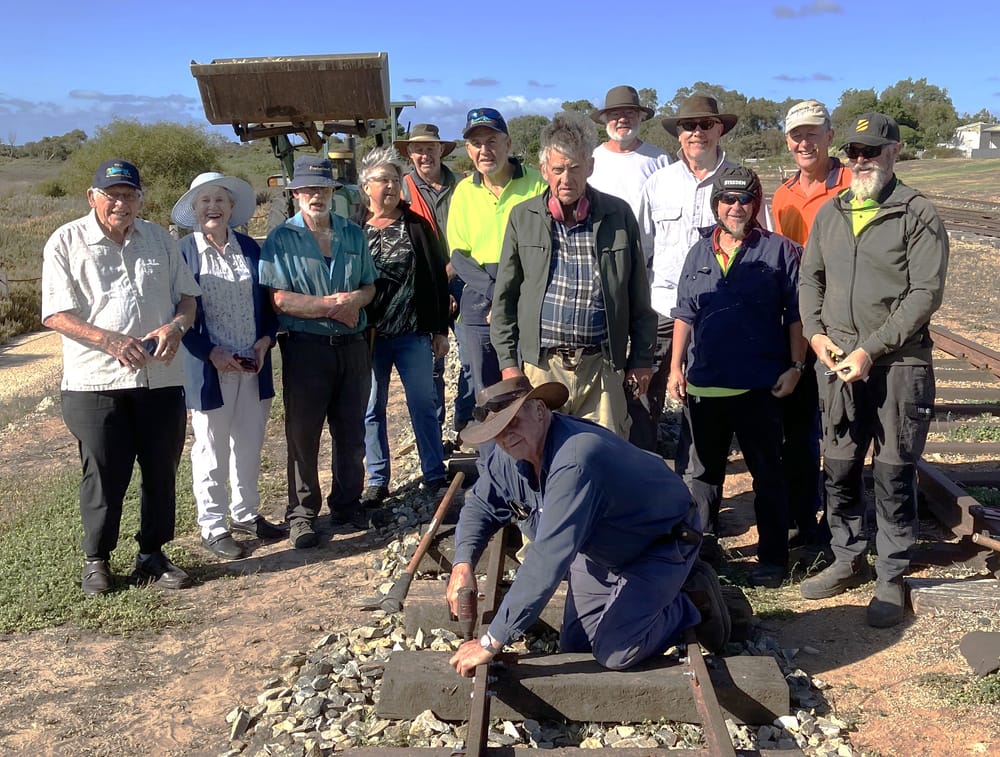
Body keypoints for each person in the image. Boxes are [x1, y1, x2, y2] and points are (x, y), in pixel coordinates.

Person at [446, 377, 730, 676]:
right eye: (497, 431)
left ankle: (691, 602)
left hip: (659, 544)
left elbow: (547, 559)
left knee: (616, 651)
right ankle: (645, 601)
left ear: (540, 411)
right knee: (577, 644)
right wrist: (462, 563)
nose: (506, 435)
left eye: (513, 422)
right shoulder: (510, 454)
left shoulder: (576, 458)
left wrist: (492, 641)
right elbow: (480, 505)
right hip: (602, 548)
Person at [798, 113, 949, 627]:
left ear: (894, 152)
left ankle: (890, 573)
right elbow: (809, 280)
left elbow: (924, 293)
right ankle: (846, 558)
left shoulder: (917, 212)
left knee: (892, 471)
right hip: (837, 361)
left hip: (898, 363)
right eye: (853, 152)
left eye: (872, 151)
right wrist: (816, 334)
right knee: (839, 466)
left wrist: (872, 349)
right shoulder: (832, 212)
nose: (860, 161)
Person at [41, 158, 200, 594]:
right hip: (96, 383)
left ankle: (152, 554)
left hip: (160, 378)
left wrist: (176, 326)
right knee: (104, 473)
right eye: (112, 195)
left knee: (161, 470)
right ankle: (97, 560)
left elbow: (187, 299)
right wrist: (109, 340)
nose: (121, 203)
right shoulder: (66, 241)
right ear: (93, 197)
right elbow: (55, 314)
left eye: (129, 195)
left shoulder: (160, 240)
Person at [667, 166, 804, 588]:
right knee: (704, 474)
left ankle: (773, 559)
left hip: (759, 383)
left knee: (767, 472)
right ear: (716, 205)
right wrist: (675, 367)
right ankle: (701, 554)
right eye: (727, 200)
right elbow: (685, 313)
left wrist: (796, 366)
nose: (736, 207)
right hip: (705, 383)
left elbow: (797, 316)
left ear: (756, 203)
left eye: (744, 199)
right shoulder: (699, 251)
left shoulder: (780, 251)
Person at [491, 110, 656, 438]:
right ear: (544, 171)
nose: (566, 179)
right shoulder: (522, 218)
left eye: (575, 168)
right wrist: (509, 363)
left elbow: (639, 297)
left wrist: (640, 359)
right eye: (558, 169)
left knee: (606, 457)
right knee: (541, 453)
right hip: (541, 369)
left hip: (602, 368)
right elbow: (505, 300)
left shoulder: (618, 214)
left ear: (590, 167)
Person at [259, 156, 377, 548]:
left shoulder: (353, 234)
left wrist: (355, 300)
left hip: (353, 348)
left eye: (322, 189)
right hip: (306, 349)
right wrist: (332, 307)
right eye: (307, 189)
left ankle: (347, 504)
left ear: (332, 193)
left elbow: (369, 287)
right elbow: (278, 299)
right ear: (295, 194)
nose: (315, 195)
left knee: (351, 430)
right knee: (303, 435)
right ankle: (302, 515)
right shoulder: (280, 238)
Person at [637, 96, 770, 437]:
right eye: (689, 126)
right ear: (678, 133)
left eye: (705, 125)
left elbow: (764, 246)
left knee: (710, 406)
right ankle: (648, 475)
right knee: (644, 399)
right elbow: (643, 249)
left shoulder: (742, 180)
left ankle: (701, 477)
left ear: (720, 129)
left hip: (724, 312)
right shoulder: (658, 183)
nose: (697, 133)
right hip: (664, 308)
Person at [172, 172, 284, 561]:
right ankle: (214, 525)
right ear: (194, 209)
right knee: (210, 448)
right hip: (209, 369)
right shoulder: (183, 252)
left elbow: (270, 306)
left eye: (220, 201)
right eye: (205, 202)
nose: (213, 208)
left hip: (252, 364)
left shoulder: (251, 249)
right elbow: (178, 317)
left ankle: (246, 513)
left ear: (232, 208)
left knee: (250, 443)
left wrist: (264, 342)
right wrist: (210, 352)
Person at [771, 100, 852, 558]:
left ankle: (844, 522)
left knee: (842, 428)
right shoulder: (782, 195)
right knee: (800, 429)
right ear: (788, 142)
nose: (805, 143)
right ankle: (806, 519)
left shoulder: (849, 187)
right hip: (799, 322)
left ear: (829, 136)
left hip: (842, 318)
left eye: (813, 134)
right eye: (797, 136)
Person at [356, 147, 451, 505]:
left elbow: (436, 278)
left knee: (423, 403)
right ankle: (377, 479)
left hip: (412, 334)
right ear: (367, 186)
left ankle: (434, 473)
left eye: (396, 180)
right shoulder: (353, 229)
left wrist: (440, 329)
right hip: (368, 338)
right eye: (383, 180)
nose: (391, 187)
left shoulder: (416, 225)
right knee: (370, 407)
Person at [446, 108, 546, 396]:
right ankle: (492, 444)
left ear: (508, 144)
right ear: (468, 150)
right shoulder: (464, 191)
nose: (484, 150)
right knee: (489, 392)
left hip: (529, 298)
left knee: (530, 387)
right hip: (480, 301)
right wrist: (497, 297)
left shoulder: (538, 184)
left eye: (492, 141)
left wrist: (514, 300)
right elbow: (459, 256)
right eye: (476, 144)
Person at [395, 123, 475, 440]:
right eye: (418, 149)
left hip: (463, 278)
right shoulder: (400, 190)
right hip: (423, 285)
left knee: (473, 357)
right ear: (410, 154)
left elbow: (472, 236)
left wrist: (450, 277)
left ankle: (466, 423)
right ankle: (434, 433)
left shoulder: (466, 187)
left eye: (430, 148)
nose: (424, 154)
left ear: (441, 150)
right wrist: (435, 288)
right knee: (433, 364)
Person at [588, 84, 671, 221]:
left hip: (648, 242)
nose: (622, 119)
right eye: (615, 114)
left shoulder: (660, 158)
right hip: (602, 241)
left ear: (640, 117)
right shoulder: (591, 159)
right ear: (606, 120)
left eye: (629, 113)